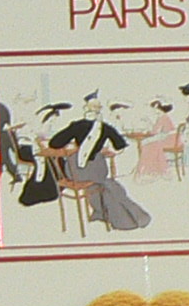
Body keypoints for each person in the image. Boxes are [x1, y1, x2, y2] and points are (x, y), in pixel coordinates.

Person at [47, 92, 150, 231]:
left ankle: (104, 214)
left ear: (86, 109)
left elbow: (54, 143)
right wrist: (104, 151)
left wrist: (75, 148)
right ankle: (132, 217)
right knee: (107, 184)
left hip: (76, 171)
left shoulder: (76, 126)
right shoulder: (105, 127)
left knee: (102, 185)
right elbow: (120, 145)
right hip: (98, 169)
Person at [136, 99, 180, 181]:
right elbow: (156, 131)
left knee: (149, 145)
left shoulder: (162, 117)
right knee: (149, 144)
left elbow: (155, 132)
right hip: (170, 139)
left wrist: (148, 123)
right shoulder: (163, 117)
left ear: (157, 108)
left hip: (169, 140)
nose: (152, 110)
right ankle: (152, 170)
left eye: (153, 108)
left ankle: (150, 171)